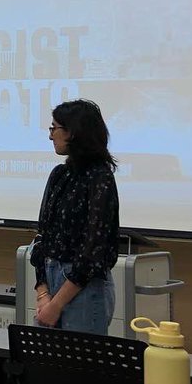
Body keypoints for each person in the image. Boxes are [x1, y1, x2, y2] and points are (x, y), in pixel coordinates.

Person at [30, 98, 120, 334]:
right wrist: (42, 293)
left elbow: (94, 252)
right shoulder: (60, 175)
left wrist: (57, 304)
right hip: (50, 282)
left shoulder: (99, 177)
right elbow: (42, 236)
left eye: (54, 128)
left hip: (81, 289)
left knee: (79, 366)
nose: (51, 136)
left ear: (74, 133)